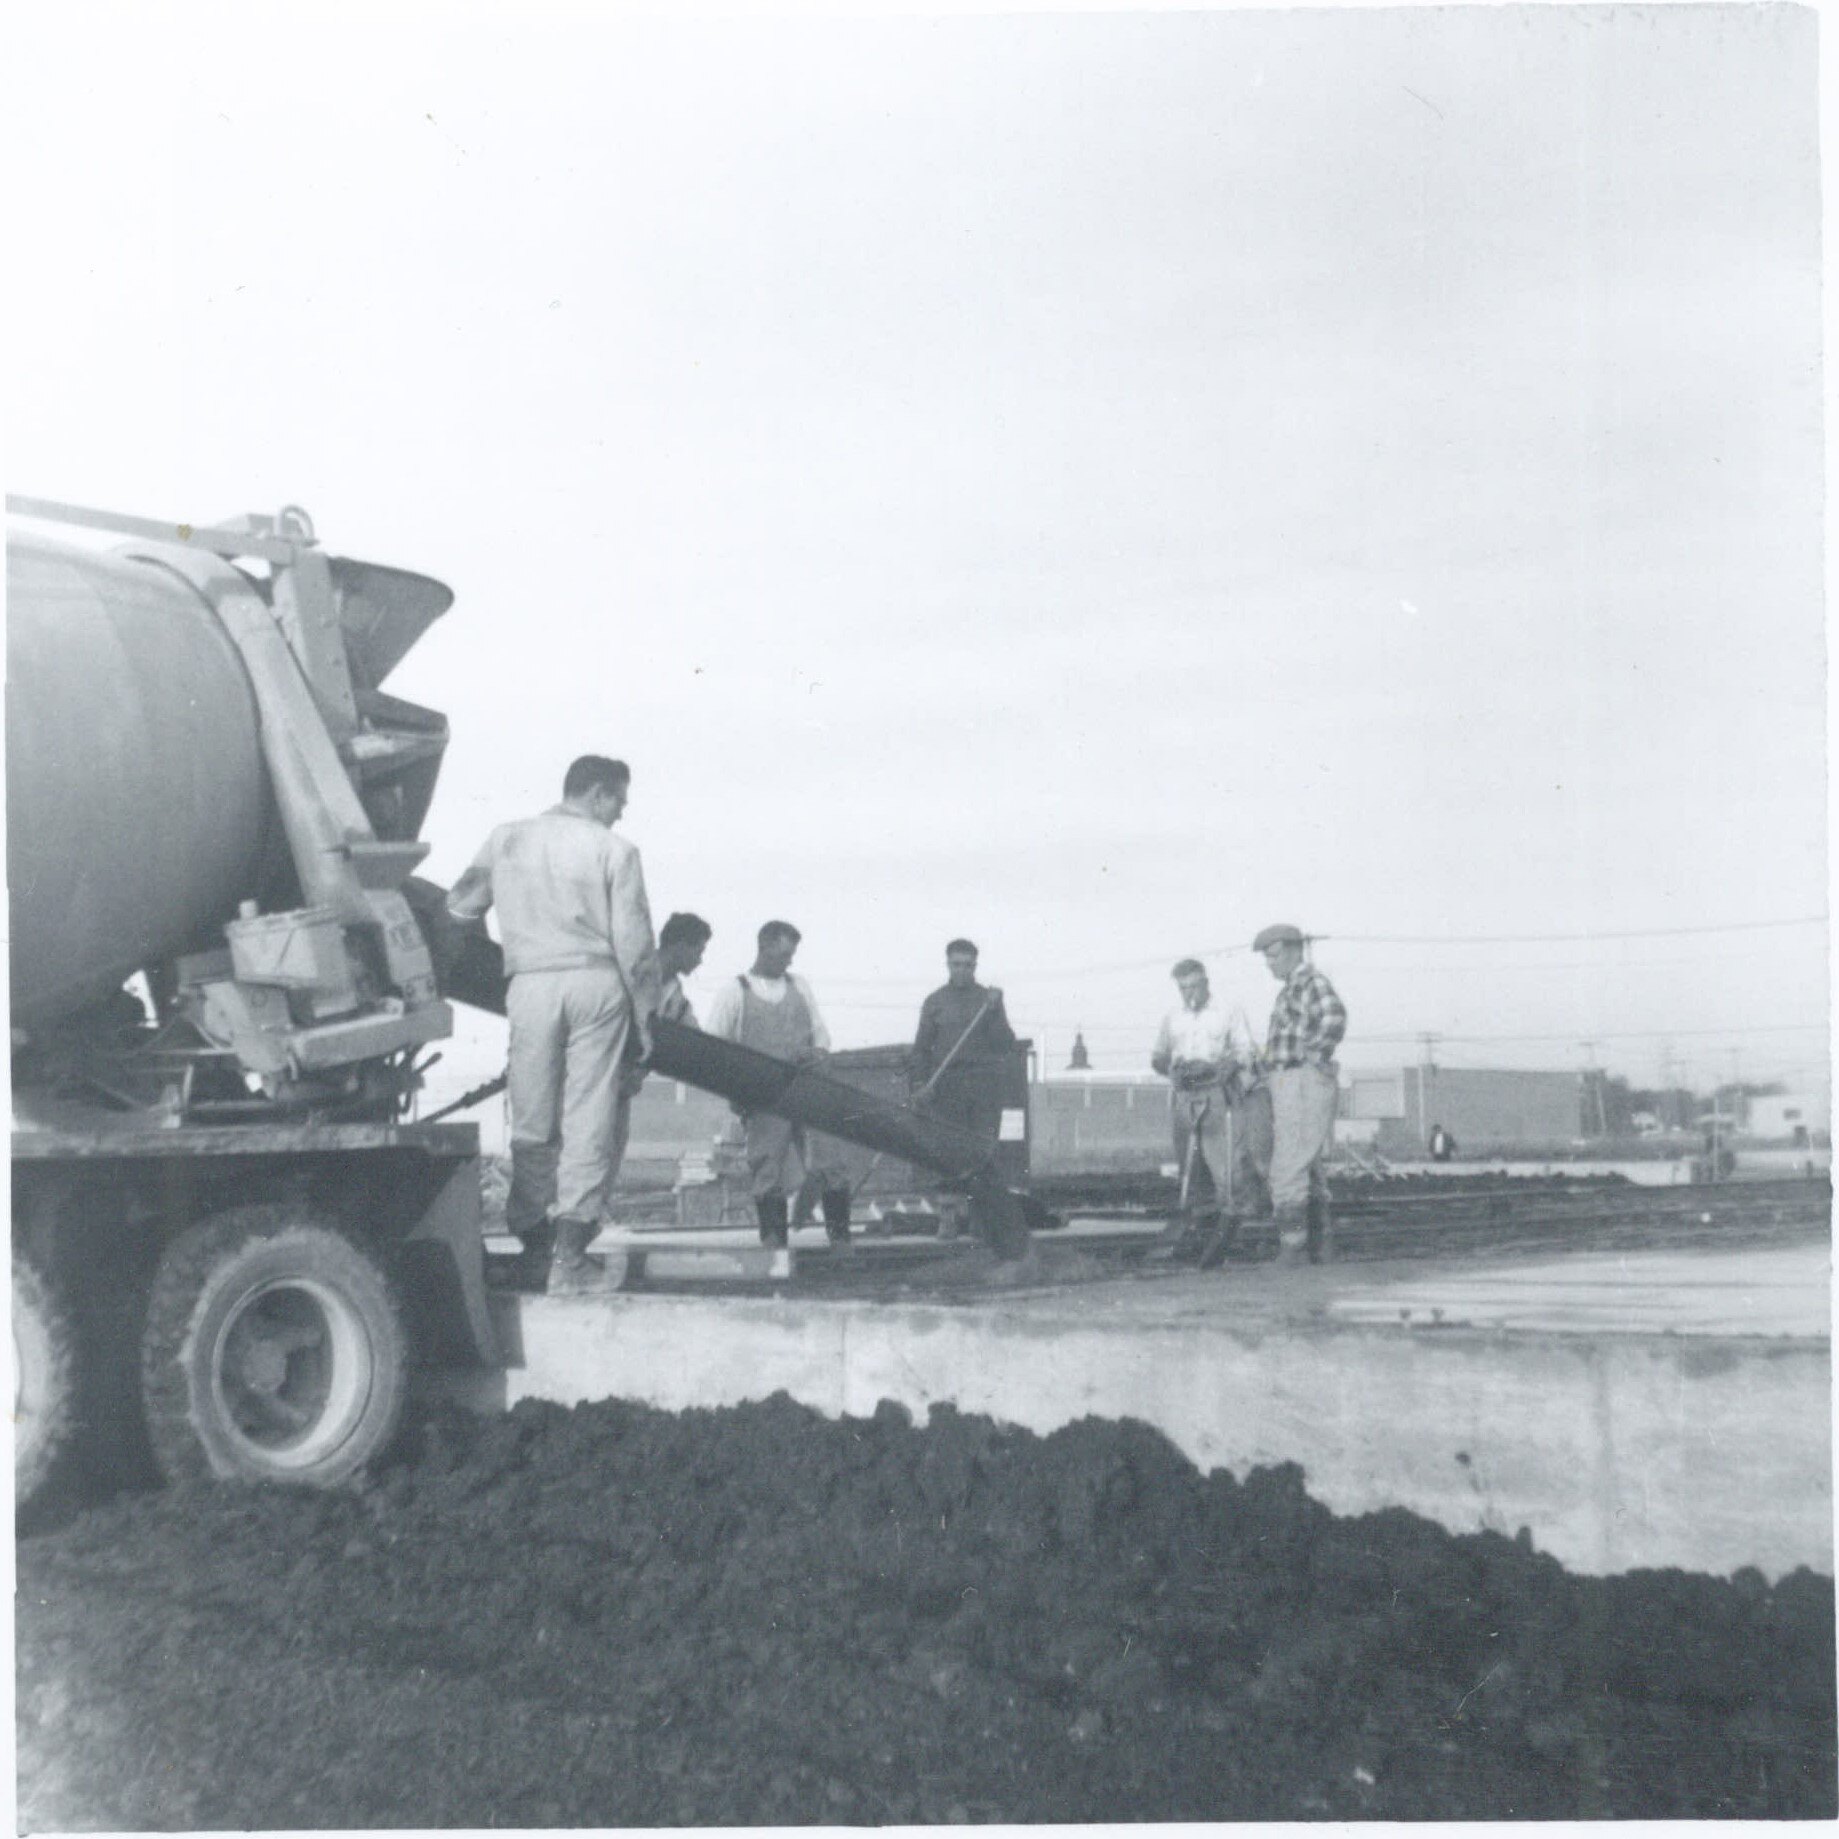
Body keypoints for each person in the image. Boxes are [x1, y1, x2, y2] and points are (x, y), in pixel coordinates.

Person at [448, 756, 660, 1294]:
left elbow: (459, 909)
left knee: (533, 1113)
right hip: (595, 981)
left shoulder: (506, 839)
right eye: (618, 800)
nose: (622, 812)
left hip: (529, 983)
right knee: (588, 1114)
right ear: (595, 794)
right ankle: (571, 1257)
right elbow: (634, 946)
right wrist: (645, 1021)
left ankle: (531, 1240)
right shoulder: (615, 850)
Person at [703, 921, 853, 1251]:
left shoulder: (799, 985)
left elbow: (821, 1034)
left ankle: (841, 1242)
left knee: (831, 1163)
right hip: (764, 1097)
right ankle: (774, 1248)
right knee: (768, 1169)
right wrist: (735, 1092)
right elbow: (715, 1051)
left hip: (806, 1090)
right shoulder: (734, 991)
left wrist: (818, 1053)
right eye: (785, 953)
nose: (790, 961)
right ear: (765, 946)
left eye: (792, 955)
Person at [1150, 958, 1272, 1263]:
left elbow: (1245, 1049)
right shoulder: (1172, 1017)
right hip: (1184, 1095)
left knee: (1225, 1165)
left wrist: (1224, 1066)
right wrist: (1171, 1068)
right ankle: (1200, 1231)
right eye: (1183, 988)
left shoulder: (1228, 1011)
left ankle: (1231, 1225)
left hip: (1218, 1094)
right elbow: (1158, 1055)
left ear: (1206, 982)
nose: (1190, 993)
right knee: (1190, 1167)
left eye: (1195, 985)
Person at [911, 939, 1019, 1238]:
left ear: (975, 966)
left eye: (968, 965)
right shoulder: (935, 1001)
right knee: (948, 1152)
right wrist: (920, 1084)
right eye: (956, 964)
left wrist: (996, 1011)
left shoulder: (989, 1000)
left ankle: (979, 1218)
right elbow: (920, 1050)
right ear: (948, 964)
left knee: (981, 1151)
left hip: (984, 1084)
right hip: (947, 1084)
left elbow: (1004, 1043)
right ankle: (948, 1216)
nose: (962, 970)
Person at [1254, 924, 1347, 1266]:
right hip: (1287, 1079)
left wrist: (1314, 1054)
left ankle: (1293, 1249)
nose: (1269, 963)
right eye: (1267, 957)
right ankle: (1321, 1246)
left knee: (1288, 1164)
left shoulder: (1310, 982)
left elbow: (1334, 1017)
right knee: (1307, 1164)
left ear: (1295, 951)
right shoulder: (1290, 989)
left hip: (1301, 1079)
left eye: (1274, 955)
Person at [608, 911, 713, 1194]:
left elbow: (697, 1041)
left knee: (610, 1153)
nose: (700, 960)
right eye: (698, 950)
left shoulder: (676, 1000)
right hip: (594, 1079)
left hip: (624, 1086)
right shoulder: (628, 971)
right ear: (680, 946)